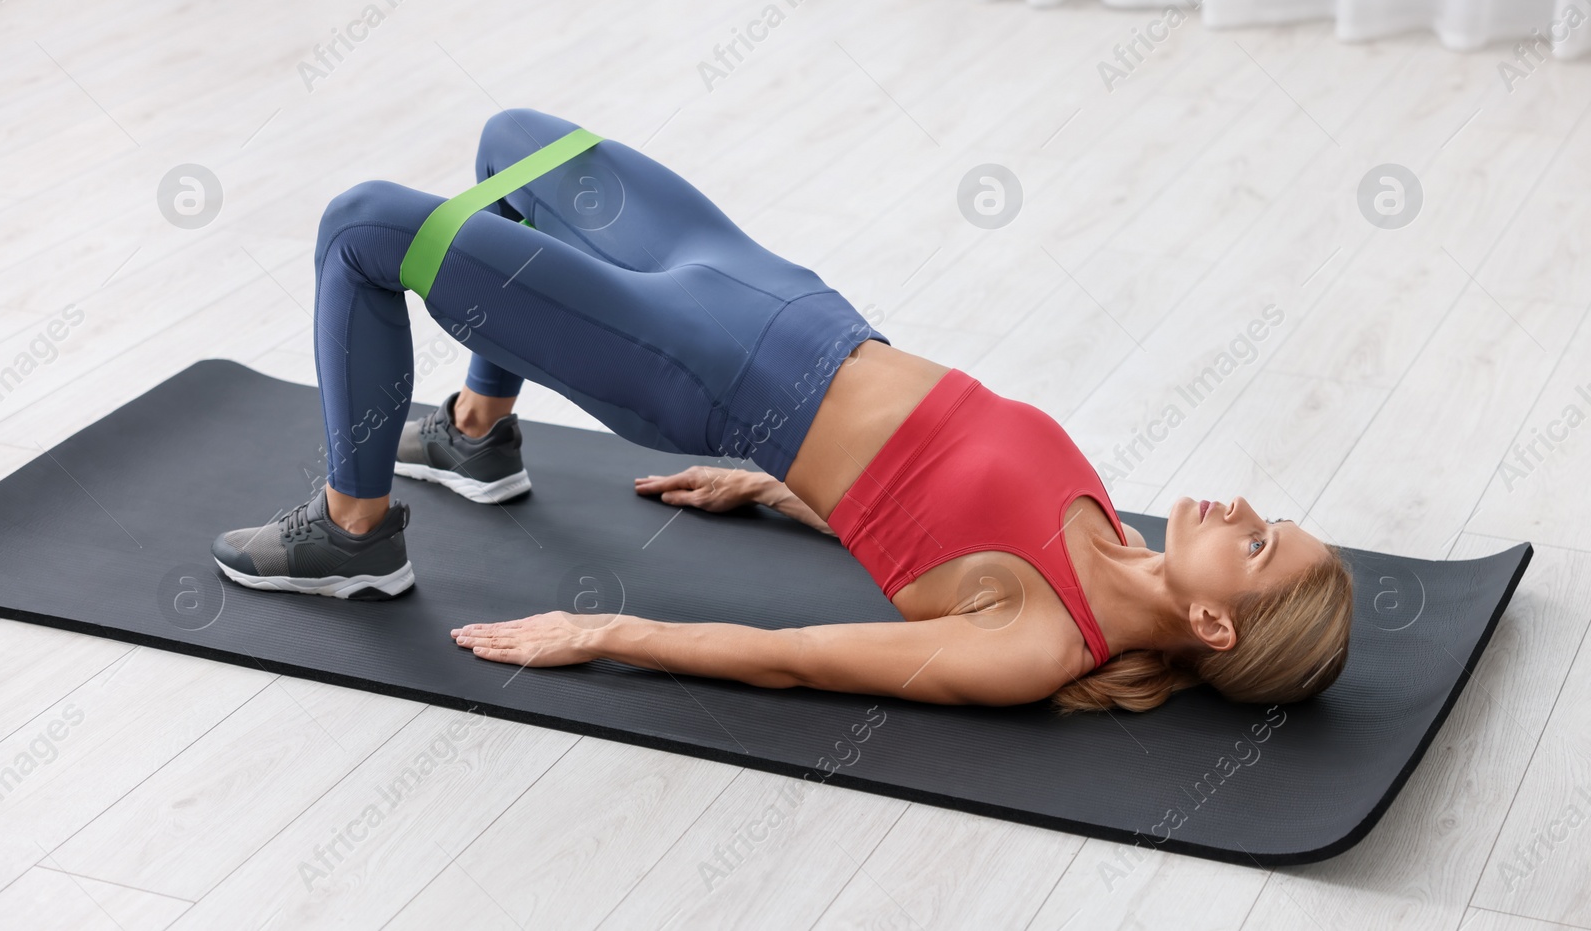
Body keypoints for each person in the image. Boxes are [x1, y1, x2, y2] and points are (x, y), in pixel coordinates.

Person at [212, 108, 1353, 713]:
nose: (1243, 507)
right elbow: (920, 514)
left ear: (1215, 627)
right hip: (780, 294)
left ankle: (350, 535)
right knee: (517, 147)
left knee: (362, 225)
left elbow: (797, 657)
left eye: (1255, 543)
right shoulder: (1111, 529)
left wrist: (602, 631)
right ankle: (474, 435)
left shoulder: (1038, 643)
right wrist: (780, 490)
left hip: (706, 367)